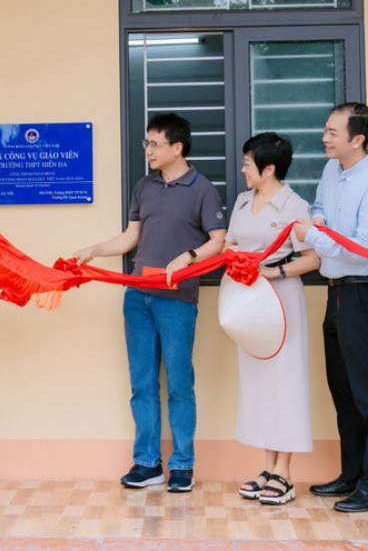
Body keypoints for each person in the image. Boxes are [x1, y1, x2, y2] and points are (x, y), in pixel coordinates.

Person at [73, 112, 226, 493]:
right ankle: (146, 463)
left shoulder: (202, 188)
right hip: (138, 297)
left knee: (178, 383)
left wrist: (187, 258)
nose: (148, 150)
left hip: (177, 299)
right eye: (147, 143)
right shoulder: (144, 186)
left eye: (155, 143)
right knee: (142, 383)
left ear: (178, 147)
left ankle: (183, 465)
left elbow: (218, 239)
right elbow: (130, 238)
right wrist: (93, 250)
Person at [293, 102, 368, 513]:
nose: (325, 137)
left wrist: (316, 238)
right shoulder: (331, 171)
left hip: (363, 292)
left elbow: (366, 248)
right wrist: (318, 225)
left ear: (358, 139)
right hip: (335, 291)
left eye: (333, 132)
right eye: (326, 129)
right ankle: (351, 474)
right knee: (344, 390)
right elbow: (320, 209)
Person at [225, 133, 321, 506]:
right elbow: (231, 243)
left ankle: (285, 473)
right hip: (249, 300)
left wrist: (271, 272)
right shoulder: (243, 200)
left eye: (248, 163)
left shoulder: (294, 205)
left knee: (286, 380)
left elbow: (312, 259)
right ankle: (267, 467)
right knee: (260, 381)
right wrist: (238, 260)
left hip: (281, 298)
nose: (243, 169)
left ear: (269, 168)